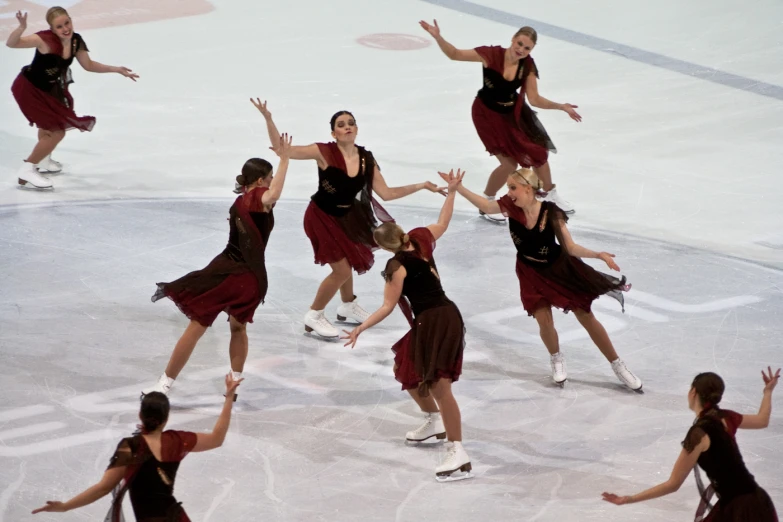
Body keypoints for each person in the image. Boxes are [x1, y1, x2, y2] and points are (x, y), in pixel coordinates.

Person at [256, 101, 444, 338]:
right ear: (333, 133)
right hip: (320, 217)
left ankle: (346, 305)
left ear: (356, 129)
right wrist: (268, 118)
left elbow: (387, 193)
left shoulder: (366, 158)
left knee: (350, 261)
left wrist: (423, 185)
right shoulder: (323, 151)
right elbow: (284, 150)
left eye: (351, 123)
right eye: (341, 124)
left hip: (347, 218)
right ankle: (313, 314)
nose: (347, 127)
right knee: (341, 270)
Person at [450, 168, 642, 390]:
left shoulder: (551, 212)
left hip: (559, 269)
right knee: (544, 320)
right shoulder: (511, 207)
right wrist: (459, 188)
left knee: (586, 316)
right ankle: (556, 358)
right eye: (507, 188)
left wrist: (598, 255)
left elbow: (570, 247)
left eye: (513, 187)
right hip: (529, 270)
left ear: (528, 189)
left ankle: (618, 365)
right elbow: (485, 206)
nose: (509, 193)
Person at [144, 113, 291, 397]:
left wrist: (270, 125)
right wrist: (285, 160)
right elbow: (271, 196)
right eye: (269, 178)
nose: (272, 184)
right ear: (260, 180)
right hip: (250, 279)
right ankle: (232, 385)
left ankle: (164, 385)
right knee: (238, 329)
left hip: (228, 272)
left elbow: (270, 194)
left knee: (196, 327)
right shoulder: (256, 200)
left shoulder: (241, 201)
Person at [342, 169, 472, 482]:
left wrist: (361, 328)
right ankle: (433, 421)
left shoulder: (395, 266)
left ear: (383, 248)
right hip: (443, 315)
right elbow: (441, 223)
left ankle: (458, 451)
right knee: (407, 368)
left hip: (435, 320)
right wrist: (452, 191)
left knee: (441, 386)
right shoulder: (420, 238)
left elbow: (388, 305)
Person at [420, 20, 580, 220]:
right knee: (509, 165)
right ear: (513, 39)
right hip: (486, 115)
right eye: (519, 44)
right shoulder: (491, 55)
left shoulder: (527, 65)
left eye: (527, 48)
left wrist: (561, 106)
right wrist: (438, 37)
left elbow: (535, 99)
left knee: (539, 152)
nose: (521, 49)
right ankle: (487, 201)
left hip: (513, 115)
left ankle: (549, 193)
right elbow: (455, 54)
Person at [32, 374, 242, 520]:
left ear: (140, 415)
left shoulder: (131, 447)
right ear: (166, 419)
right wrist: (229, 397)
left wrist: (66, 506)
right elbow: (217, 438)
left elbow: (104, 488)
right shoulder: (177, 441)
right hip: (176, 518)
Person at [602, 368, 780, 522]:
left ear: (693, 392)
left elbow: (673, 484)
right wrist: (768, 392)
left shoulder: (698, 434)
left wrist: (629, 499)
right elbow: (762, 420)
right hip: (757, 499)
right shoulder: (725, 417)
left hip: (738, 511)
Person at [6, 7, 138, 189]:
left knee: (47, 127)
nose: (65, 29)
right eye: (59, 26)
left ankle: (43, 159)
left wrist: (115, 69)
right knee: (57, 131)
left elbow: (89, 65)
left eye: (67, 23)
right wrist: (21, 28)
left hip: (49, 90)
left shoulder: (76, 41)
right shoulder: (44, 39)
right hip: (29, 89)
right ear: (52, 29)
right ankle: (27, 169)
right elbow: (12, 44)